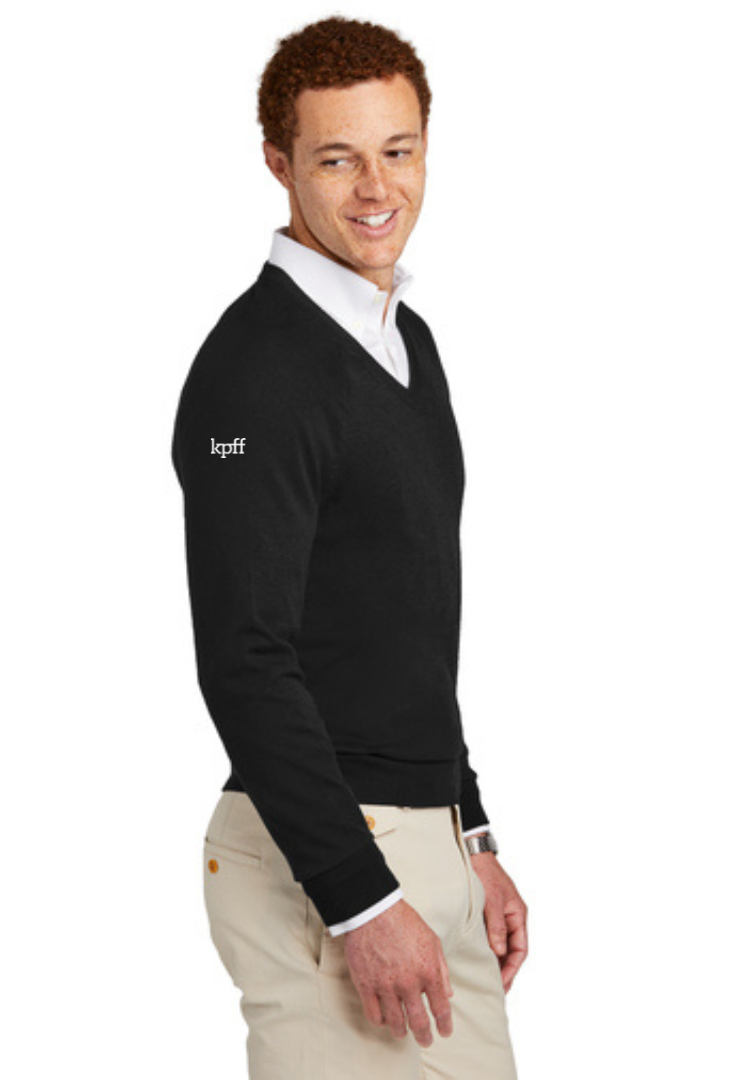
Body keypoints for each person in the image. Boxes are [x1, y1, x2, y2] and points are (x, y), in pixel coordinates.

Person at [171, 16, 527, 1078]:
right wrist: (360, 898)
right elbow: (245, 655)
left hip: (419, 840)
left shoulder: (402, 340)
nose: (377, 188)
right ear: (278, 163)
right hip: (325, 857)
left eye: (398, 150)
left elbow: (403, 624)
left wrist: (470, 835)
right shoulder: (255, 376)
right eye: (336, 159)